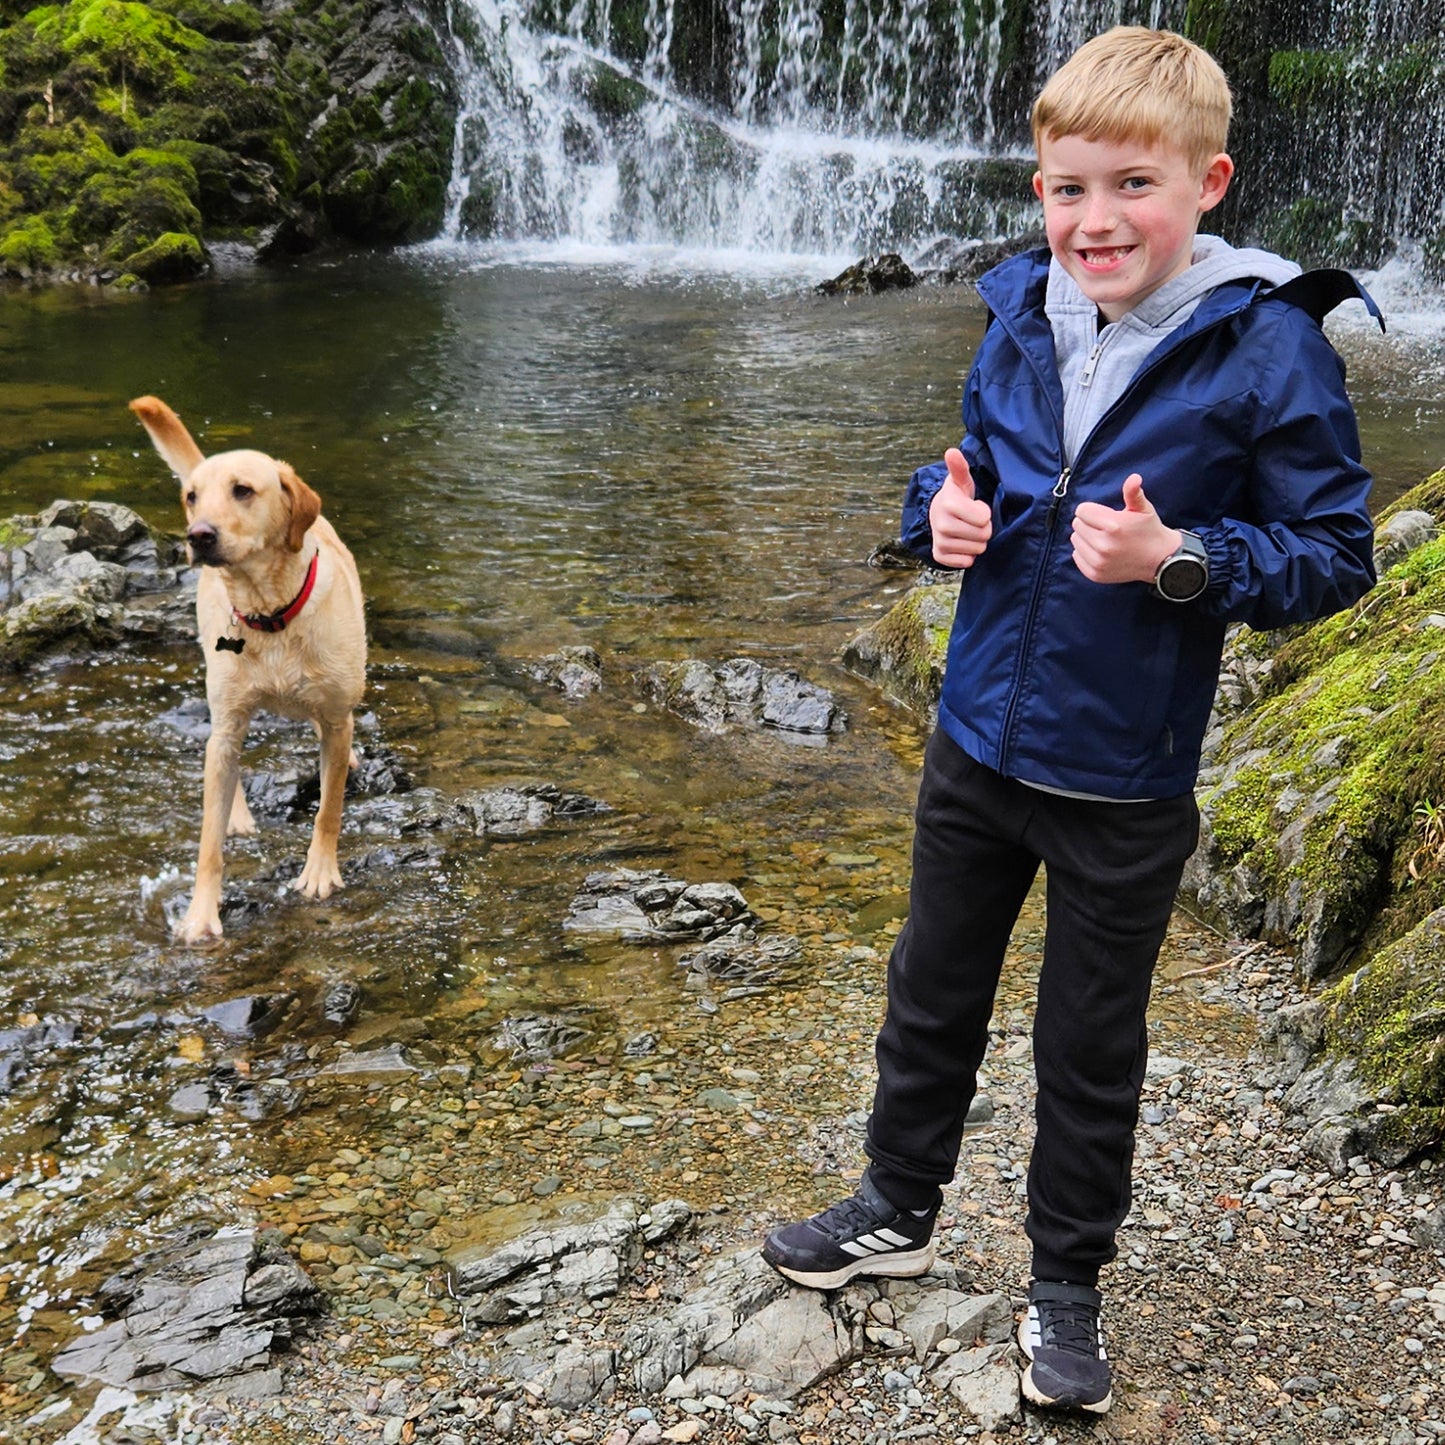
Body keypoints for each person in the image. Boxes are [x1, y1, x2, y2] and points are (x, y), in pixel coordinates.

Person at [761, 25, 1381, 1416]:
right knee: (929, 991)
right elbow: (960, 466)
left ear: (1205, 182)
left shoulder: (1267, 345)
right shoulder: (1017, 309)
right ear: (1038, 190)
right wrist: (937, 518)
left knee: (1086, 1043)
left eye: (1130, 187)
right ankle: (895, 1201)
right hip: (975, 733)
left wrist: (1181, 559)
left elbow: (1336, 554)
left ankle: (1064, 1289)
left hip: (1121, 771)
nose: (1094, 220)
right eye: (1065, 189)